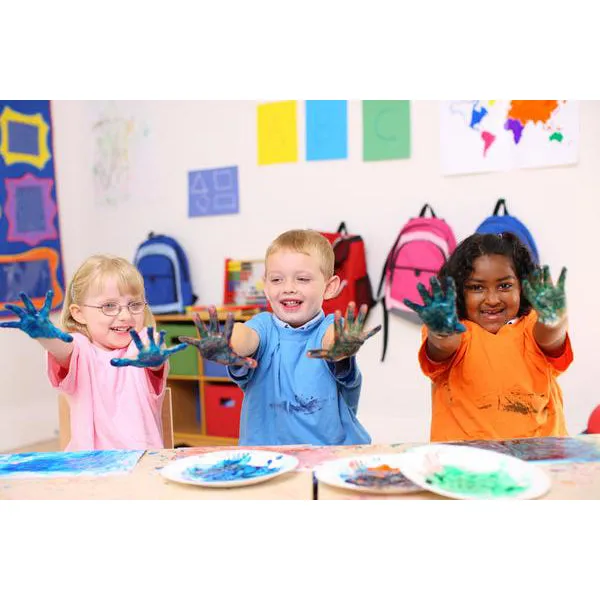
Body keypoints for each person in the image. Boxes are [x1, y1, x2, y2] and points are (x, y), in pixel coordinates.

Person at [181, 229, 381, 446]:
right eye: (277, 280)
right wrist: (228, 343)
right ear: (266, 286)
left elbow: (332, 339)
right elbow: (244, 336)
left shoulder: (330, 327)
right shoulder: (263, 326)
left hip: (331, 456)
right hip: (268, 458)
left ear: (330, 287)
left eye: (302, 279)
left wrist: (340, 347)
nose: (288, 288)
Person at [0, 255, 186, 450]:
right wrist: (44, 336)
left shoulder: (143, 345)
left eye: (135, 305)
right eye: (109, 306)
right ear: (79, 313)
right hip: (89, 468)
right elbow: (63, 349)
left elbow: (153, 361)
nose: (125, 316)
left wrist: (154, 361)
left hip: (142, 465)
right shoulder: (81, 349)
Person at [404, 232, 573, 442]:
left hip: (539, 461)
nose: (492, 299)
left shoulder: (532, 325)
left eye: (504, 286)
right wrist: (442, 331)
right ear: (457, 291)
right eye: (477, 288)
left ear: (522, 286)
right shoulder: (457, 331)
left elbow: (551, 337)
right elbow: (443, 346)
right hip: (467, 465)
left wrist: (555, 320)